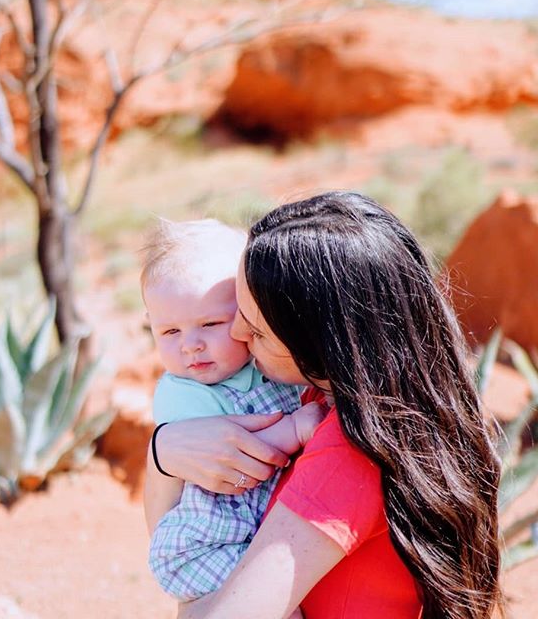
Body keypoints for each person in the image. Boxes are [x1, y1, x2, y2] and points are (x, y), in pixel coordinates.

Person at [151, 192, 503, 619]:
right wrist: (164, 451)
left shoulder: (348, 446)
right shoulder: (363, 408)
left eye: (256, 325)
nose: (239, 333)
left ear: (316, 337)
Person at [141, 218, 326, 603]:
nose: (190, 346)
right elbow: (240, 450)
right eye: (170, 332)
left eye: (210, 324)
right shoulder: (182, 393)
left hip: (246, 533)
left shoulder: (262, 370)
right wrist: (294, 427)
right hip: (206, 544)